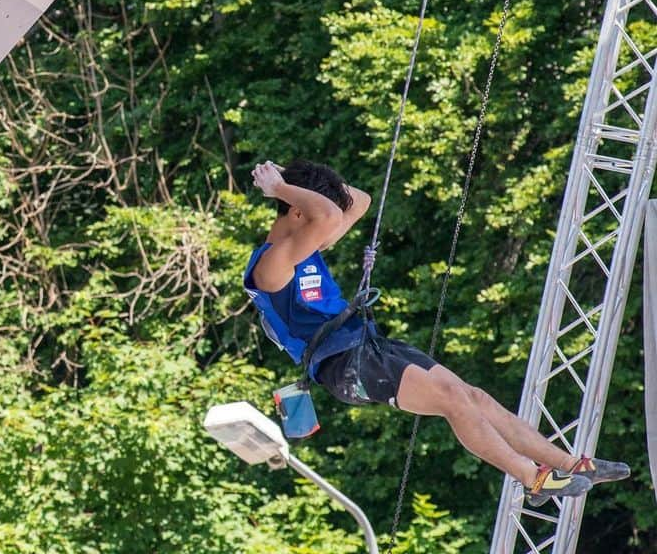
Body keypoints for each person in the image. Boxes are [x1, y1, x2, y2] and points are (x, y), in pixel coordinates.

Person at [244, 158, 629, 504]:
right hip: (342, 366)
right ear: (297, 212)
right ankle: (533, 479)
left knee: (473, 396)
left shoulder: (305, 243)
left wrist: (293, 177)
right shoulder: (272, 266)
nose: (324, 225)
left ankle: (571, 464)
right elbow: (327, 216)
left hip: (367, 345)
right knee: (452, 400)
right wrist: (278, 188)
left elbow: (356, 201)